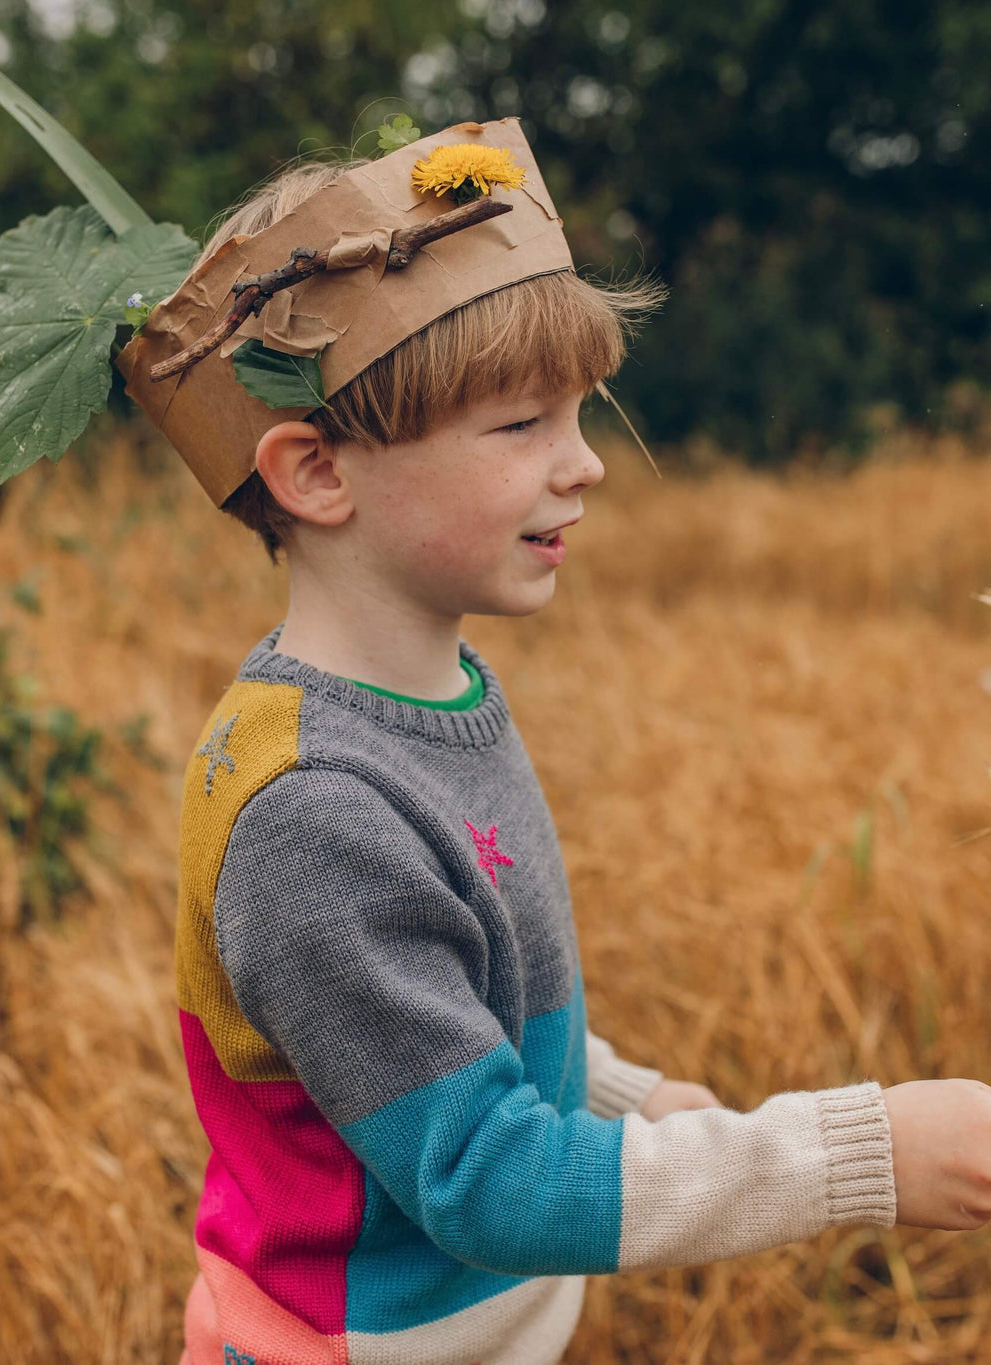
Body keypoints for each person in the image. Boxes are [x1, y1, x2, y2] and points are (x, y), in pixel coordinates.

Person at [110, 119, 991, 1365]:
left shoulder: (441, 692)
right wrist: (863, 1155)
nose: (583, 465)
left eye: (576, 416)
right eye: (521, 424)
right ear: (314, 472)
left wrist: (621, 1097)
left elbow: (465, 1012)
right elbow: (489, 1178)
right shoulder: (312, 812)